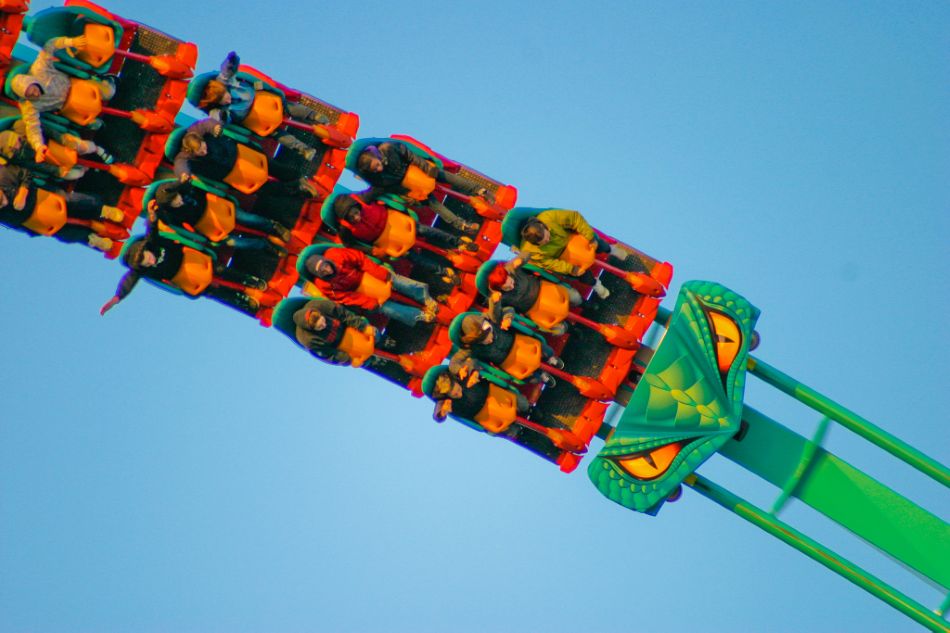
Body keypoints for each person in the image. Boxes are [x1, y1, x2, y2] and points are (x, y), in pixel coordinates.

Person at [99, 219, 280, 316]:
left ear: (147, 250)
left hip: (189, 259)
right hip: (181, 276)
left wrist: (153, 217)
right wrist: (117, 297)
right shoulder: (140, 269)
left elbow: (152, 229)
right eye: (148, 264)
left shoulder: (151, 242)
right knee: (210, 291)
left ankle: (247, 280)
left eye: (149, 259)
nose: (151, 262)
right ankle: (240, 299)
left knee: (218, 270)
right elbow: (129, 281)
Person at [196, 52, 325, 161]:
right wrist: (220, 121)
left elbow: (227, 70)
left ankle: (315, 116)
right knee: (277, 134)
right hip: (257, 122)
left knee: (289, 107)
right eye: (221, 101)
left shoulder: (225, 81)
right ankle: (303, 149)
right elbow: (217, 119)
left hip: (265, 102)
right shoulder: (217, 110)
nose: (227, 100)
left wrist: (231, 60)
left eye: (224, 94)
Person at [9, 35, 116, 161]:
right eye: (30, 95)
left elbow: (49, 45)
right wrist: (38, 147)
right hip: (69, 107)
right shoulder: (29, 105)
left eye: (33, 90)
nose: (35, 94)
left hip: (75, 86)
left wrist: (71, 41)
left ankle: (106, 80)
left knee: (109, 92)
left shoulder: (39, 70)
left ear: (32, 81)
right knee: (96, 125)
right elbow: (32, 128)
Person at [353, 140, 484, 235]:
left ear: (377, 155)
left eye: (377, 165)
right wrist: (410, 196)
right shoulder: (379, 179)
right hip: (411, 186)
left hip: (418, 170)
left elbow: (411, 156)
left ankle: (479, 190)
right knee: (433, 204)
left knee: (447, 177)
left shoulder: (389, 148)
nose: (379, 169)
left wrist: (427, 168)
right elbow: (393, 189)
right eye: (375, 170)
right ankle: (461, 225)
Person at [172, 118, 317, 196]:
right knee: (264, 189)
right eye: (200, 152)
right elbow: (180, 166)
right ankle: (297, 189)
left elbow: (206, 123)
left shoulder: (196, 131)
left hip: (236, 153)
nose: (204, 151)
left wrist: (215, 127)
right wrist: (184, 175)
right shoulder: (185, 156)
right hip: (228, 172)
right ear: (191, 151)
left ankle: (298, 178)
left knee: (271, 166)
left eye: (203, 147)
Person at [301, 246, 438, 327]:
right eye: (322, 271)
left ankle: (425, 297)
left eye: (325, 265)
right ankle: (418, 316)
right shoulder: (324, 285)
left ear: (326, 261)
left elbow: (360, 259)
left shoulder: (335, 254)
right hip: (359, 290)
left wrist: (382, 275)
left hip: (366, 273)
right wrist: (372, 302)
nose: (327, 270)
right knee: (385, 308)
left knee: (396, 280)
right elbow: (346, 297)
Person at [0, 163, 123, 252]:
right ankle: (91, 238)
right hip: (36, 219)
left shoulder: (4, 175)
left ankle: (103, 210)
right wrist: (34, 231)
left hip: (40, 197)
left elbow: (25, 173)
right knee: (65, 234)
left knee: (72, 201)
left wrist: (22, 192)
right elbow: (15, 225)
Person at [516, 209, 628, 299]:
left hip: (571, 239)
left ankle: (611, 250)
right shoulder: (531, 250)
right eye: (545, 242)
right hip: (561, 257)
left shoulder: (548, 217)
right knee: (581, 275)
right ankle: (595, 284)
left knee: (598, 244)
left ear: (544, 227)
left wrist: (590, 238)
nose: (548, 240)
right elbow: (550, 263)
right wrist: (571, 269)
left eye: (548, 236)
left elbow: (574, 218)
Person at [331, 192, 479, 253]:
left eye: (356, 214)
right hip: (387, 241)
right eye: (352, 218)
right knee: (412, 254)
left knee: (424, 230)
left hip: (395, 222)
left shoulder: (363, 199)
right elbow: (349, 244)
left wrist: (403, 199)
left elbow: (379, 190)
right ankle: (442, 270)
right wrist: (372, 251)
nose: (356, 218)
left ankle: (458, 242)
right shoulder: (344, 229)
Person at [151, 179, 292, 242]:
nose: (180, 201)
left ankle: (274, 227)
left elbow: (197, 184)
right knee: (233, 241)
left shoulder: (185, 188)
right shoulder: (171, 215)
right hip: (208, 224)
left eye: (179, 198)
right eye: (176, 203)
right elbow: (168, 223)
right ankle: (263, 245)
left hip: (214, 207)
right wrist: (154, 215)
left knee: (246, 218)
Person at [448, 312, 563, 387]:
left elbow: (505, 309)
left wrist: (507, 317)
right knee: (529, 378)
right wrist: (460, 370)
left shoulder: (492, 319)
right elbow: (453, 363)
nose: (489, 340)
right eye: (484, 341)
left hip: (517, 343)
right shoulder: (473, 348)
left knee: (543, 349)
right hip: (507, 361)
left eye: (489, 334)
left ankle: (551, 358)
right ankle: (541, 375)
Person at [484, 259, 582, 332]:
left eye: (511, 282)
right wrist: (497, 306)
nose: (512, 286)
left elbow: (526, 254)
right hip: (533, 309)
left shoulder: (512, 269)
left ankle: (584, 305)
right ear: (500, 288)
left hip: (543, 289)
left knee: (574, 296)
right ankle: (571, 329)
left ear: (509, 275)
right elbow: (498, 315)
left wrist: (521, 259)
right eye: (507, 287)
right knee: (557, 330)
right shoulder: (498, 297)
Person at [0, 123, 112, 182]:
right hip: (50, 159)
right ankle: (88, 168)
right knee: (74, 174)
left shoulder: (22, 126)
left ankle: (98, 150)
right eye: (13, 149)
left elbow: (50, 131)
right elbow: (35, 165)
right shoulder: (15, 157)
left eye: (16, 144)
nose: (17, 148)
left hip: (55, 143)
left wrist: (64, 141)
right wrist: (57, 170)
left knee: (82, 147)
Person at [426, 367, 529, 426]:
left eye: (457, 389)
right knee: (510, 428)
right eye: (454, 394)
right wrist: (441, 413)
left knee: (522, 403)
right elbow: (438, 414)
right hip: (484, 415)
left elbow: (475, 365)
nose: (458, 393)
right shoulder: (447, 403)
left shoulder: (463, 376)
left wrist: (475, 373)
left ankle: (528, 410)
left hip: (492, 395)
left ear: (456, 382)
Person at [291, 297, 373, 365]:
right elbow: (327, 354)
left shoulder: (320, 305)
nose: (325, 325)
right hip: (340, 346)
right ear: (312, 329)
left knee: (374, 332)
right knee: (366, 361)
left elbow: (343, 314)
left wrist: (363, 327)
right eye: (320, 327)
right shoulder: (308, 339)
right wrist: (349, 360)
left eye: (323, 321)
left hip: (347, 328)